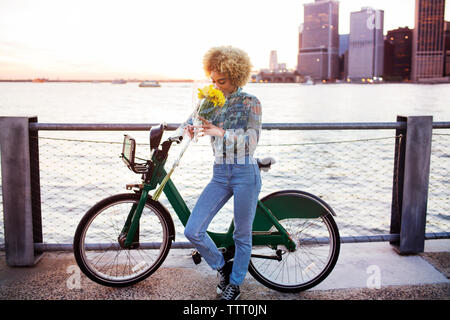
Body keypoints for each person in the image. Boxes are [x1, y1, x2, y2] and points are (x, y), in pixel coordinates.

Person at [179, 46, 262, 300]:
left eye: (222, 81)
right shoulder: (210, 100)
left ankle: (235, 285)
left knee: (241, 234)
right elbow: (188, 122)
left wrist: (221, 133)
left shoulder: (251, 102)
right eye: (213, 80)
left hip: (245, 172)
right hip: (220, 173)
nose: (216, 85)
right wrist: (186, 130)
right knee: (193, 230)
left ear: (236, 77)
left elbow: (252, 141)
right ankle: (222, 266)